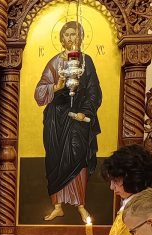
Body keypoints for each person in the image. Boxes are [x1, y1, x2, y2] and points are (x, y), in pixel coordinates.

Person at [35, 21, 102, 223]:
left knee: (78, 156)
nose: (71, 38)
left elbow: (94, 91)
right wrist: (56, 87)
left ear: (81, 37)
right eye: (68, 34)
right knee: (55, 159)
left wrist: (85, 112)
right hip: (56, 119)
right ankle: (57, 206)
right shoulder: (54, 62)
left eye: (75, 34)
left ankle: (80, 205)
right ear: (62, 38)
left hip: (78, 118)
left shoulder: (86, 62)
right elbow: (39, 92)